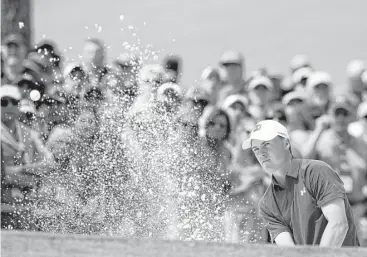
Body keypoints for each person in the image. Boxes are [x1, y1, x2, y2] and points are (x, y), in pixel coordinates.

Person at [242, 119, 360, 246]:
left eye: (267, 144)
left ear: (286, 143)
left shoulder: (317, 171)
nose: (261, 153)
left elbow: (338, 226)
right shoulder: (267, 204)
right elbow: (289, 251)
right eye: (256, 149)